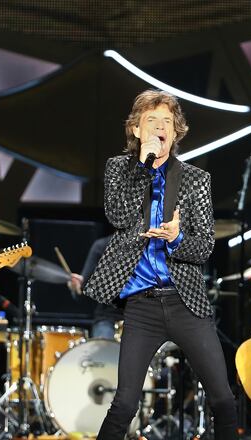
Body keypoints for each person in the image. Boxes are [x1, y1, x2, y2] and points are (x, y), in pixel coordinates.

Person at [83, 89, 237, 439]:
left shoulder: (195, 179)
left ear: (177, 131)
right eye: (151, 120)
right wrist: (143, 167)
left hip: (185, 303)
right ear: (136, 130)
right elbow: (118, 214)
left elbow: (204, 248)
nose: (159, 127)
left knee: (224, 400)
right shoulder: (118, 168)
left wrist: (177, 239)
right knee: (124, 403)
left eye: (166, 121)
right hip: (142, 306)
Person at [68, 235, 125, 339]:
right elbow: (83, 293)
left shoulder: (150, 246)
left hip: (142, 317)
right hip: (108, 318)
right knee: (104, 348)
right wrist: (77, 287)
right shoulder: (102, 246)